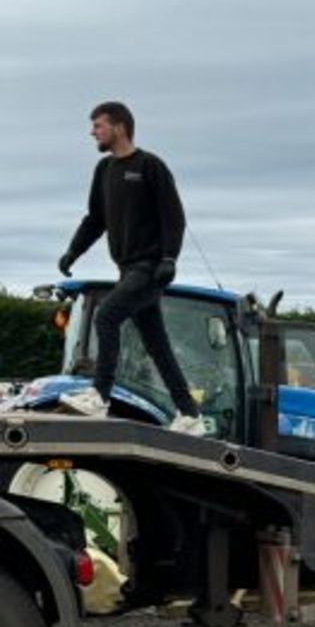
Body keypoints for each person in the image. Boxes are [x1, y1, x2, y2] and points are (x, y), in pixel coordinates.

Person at [55, 101, 205, 433]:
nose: (92, 132)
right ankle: (189, 414)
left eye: (98, 126)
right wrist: (73, 252)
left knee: (107, 315)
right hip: (127, 268)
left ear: (119, 127)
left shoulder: (150, 166)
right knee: (157, 344)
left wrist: (169, 258)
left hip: (150, 267)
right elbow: (96, 219)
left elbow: (173, 217)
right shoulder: (104, 170)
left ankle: (100, 395)